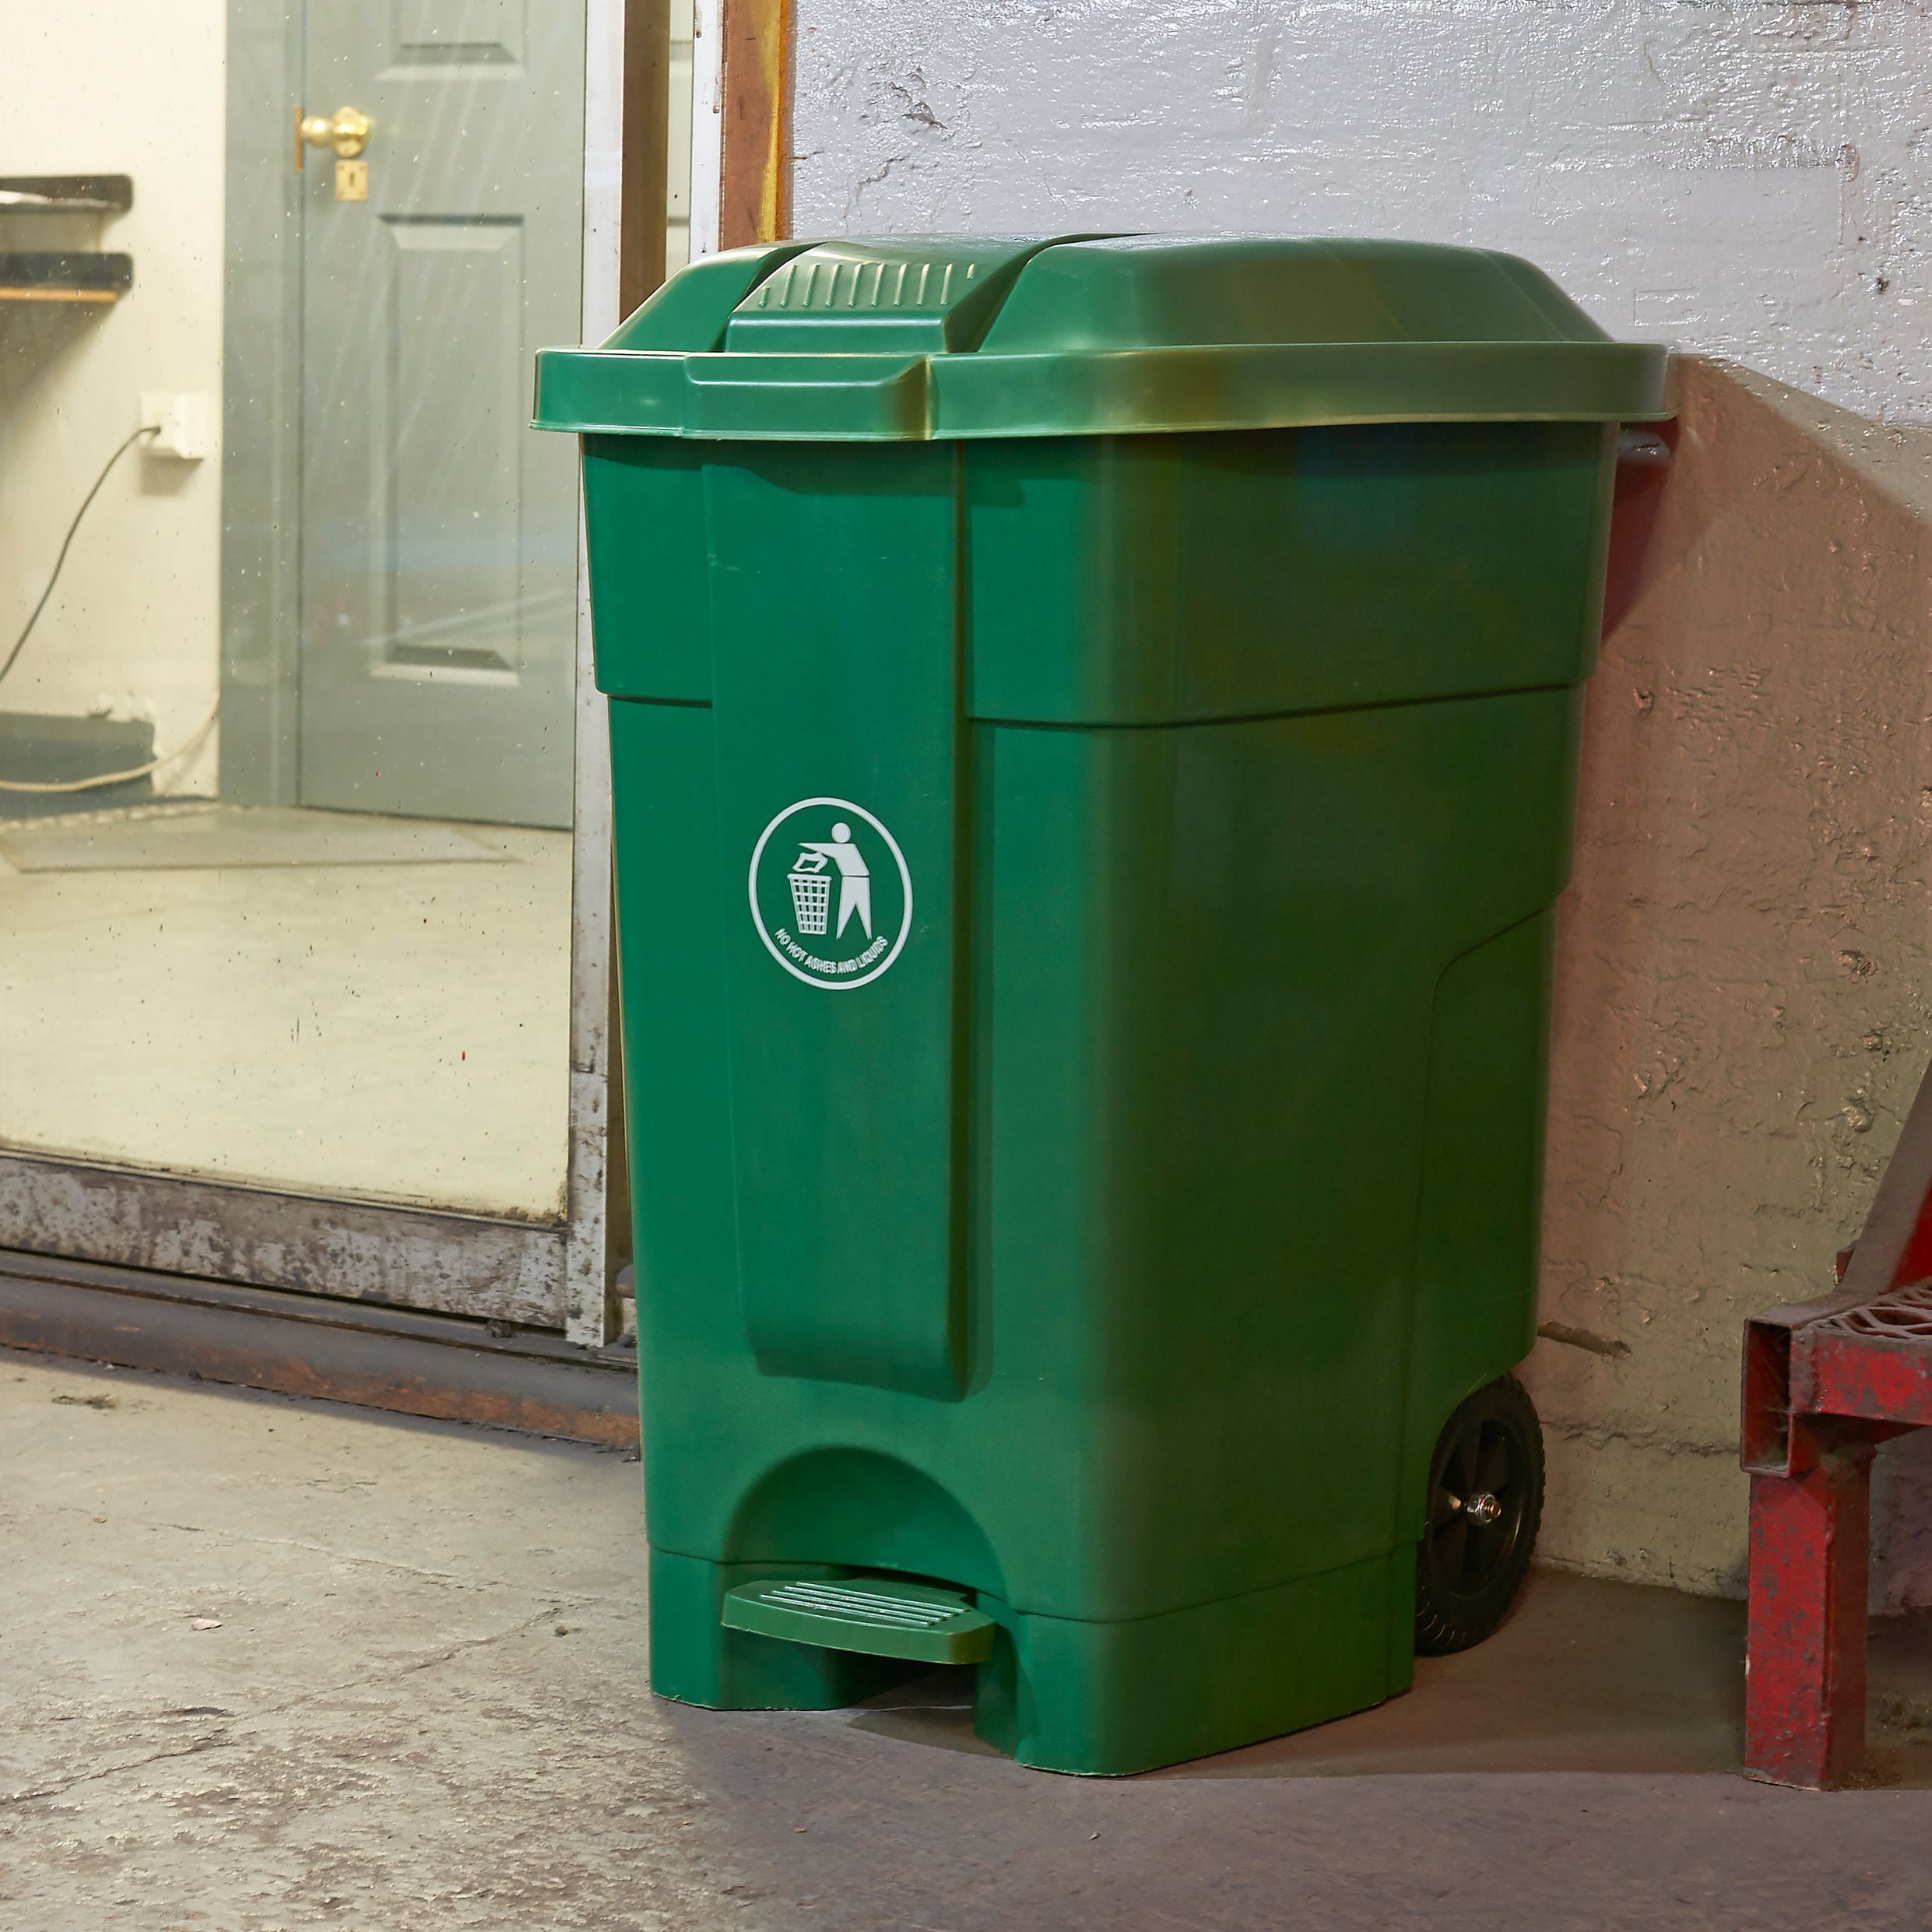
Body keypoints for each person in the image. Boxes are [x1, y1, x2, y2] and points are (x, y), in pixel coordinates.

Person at [795, 822, 871, 940]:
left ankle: (865, 936)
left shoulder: (847, 848)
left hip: (856, 881)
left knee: (860, 913)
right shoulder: (848, 848)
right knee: (846, 914)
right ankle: (840, 936)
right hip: (851, 879)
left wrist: (805, 845)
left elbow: (827, 848)